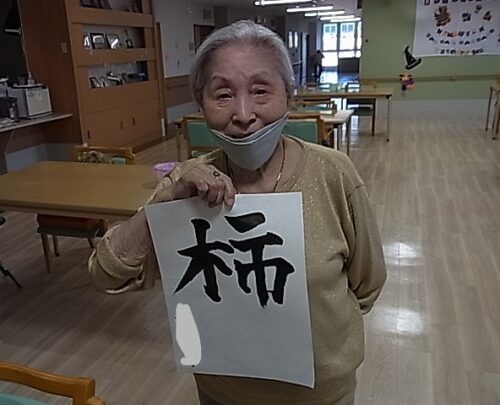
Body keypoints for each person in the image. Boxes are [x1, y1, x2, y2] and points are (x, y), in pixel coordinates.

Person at [88, 20, 386, 405]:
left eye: (261, 91)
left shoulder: (334, 174)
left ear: (289, 95)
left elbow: (367, 284)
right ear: (201, 103)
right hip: (222, 393)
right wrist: (162, 207)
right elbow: (105, 274)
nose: (243, 114)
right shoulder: (186, 185)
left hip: (321, 394)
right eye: (223, 95)